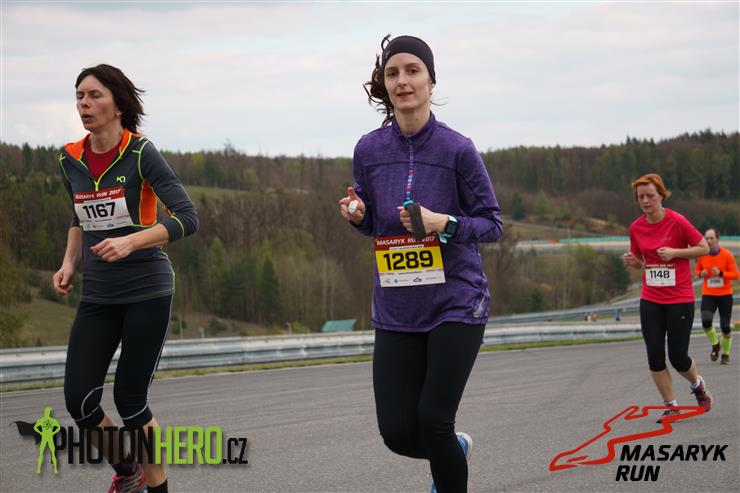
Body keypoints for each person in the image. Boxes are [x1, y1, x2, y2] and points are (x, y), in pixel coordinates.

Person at [338, 35, 503, 493]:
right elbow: (375, 221)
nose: (402, 81)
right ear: (385, 84)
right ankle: (454, 450)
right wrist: (359, 215)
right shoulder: (369, 150)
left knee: (433, 420)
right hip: (397, 306)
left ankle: (447, 459)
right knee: (397, 432)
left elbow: (492, 224)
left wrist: (443, 223)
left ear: (431, 81)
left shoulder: (457, 149)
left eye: (413, 71)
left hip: (455, 302)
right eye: (393, 73)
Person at [53, 64, 198, 493]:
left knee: (131, 403)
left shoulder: (140, 153)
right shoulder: (69, 158)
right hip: (99, 295)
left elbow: (187, 218)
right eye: (79, 96)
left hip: (146, 291)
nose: (84, 104)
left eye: (94, 95)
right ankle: (128, 469)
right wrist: (69, 262)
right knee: (80, 401)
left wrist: (131, 242)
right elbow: (78, 217)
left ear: (118, 104)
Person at [622, 173, 712, 423]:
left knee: (678, 357)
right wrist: (633, 262)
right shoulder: (636, 227)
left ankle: (697, 385)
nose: (645, 201)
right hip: (651, 298)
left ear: (661, 195)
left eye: (650, 196)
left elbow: (704, 248)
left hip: (679, 299)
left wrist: (675, 252)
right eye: (641, 197)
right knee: (655, 356)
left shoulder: (677, 221)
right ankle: (671, 406)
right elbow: (642, 261)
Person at [696, 228, 738, 364]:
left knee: (725, 327)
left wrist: (721, 273)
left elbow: (736, 275)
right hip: (709, 294)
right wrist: (700, 273)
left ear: (717, 239)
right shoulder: (702, 255)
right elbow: (697, 270)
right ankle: (715, 344)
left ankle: (725, 355)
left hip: (725, 295)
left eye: (711, 238)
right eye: (706, 238)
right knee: (706, 321)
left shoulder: (727, 255)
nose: (708, 241)